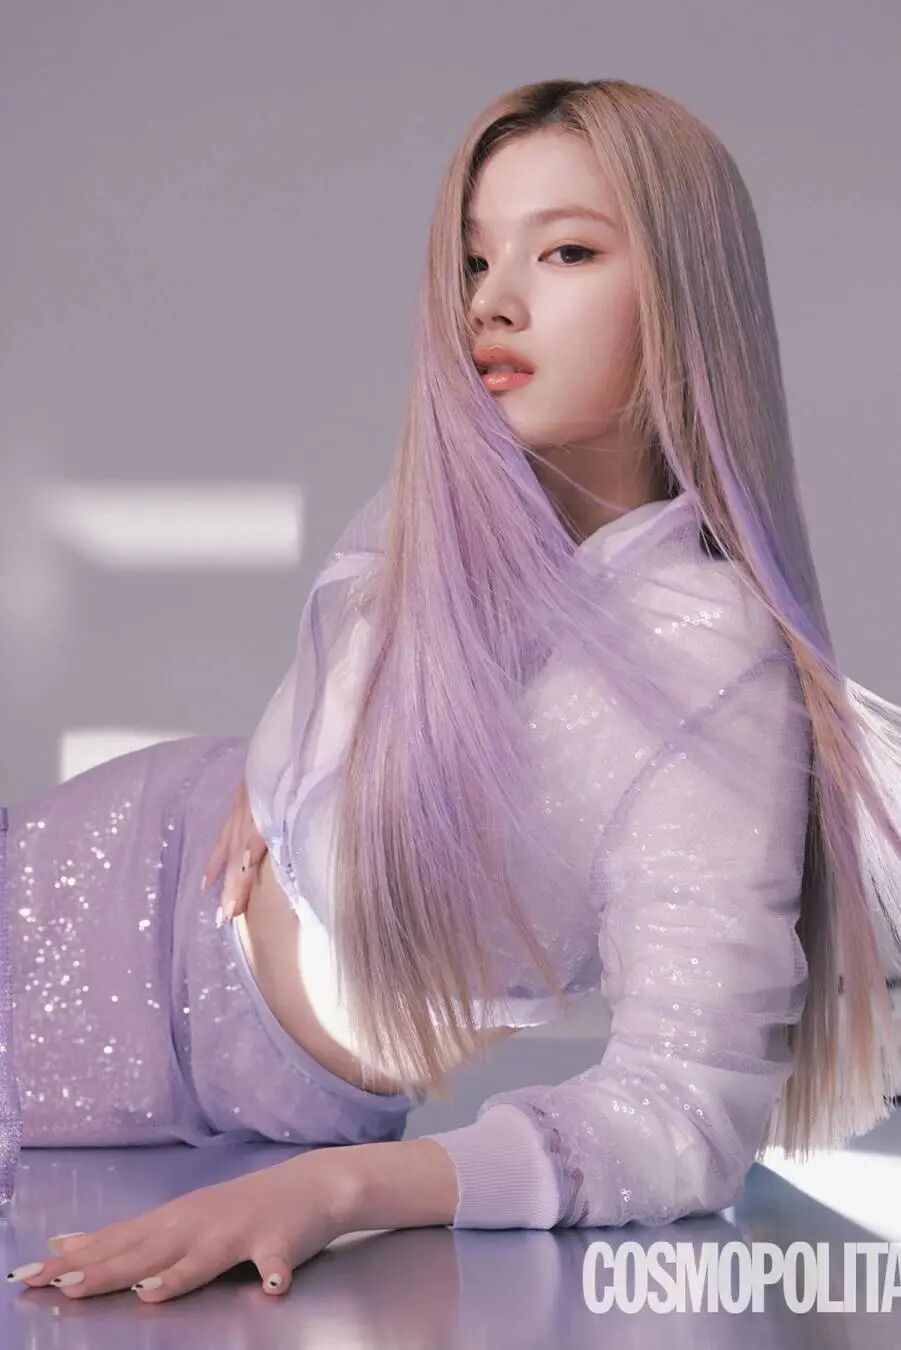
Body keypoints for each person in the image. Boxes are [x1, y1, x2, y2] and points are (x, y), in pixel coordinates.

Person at [3, 77, 900, 1305]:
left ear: (686, 296)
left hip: (192, 1068)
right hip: (105, 863)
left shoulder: (707, 659)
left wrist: (342, 1189)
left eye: (566, 251)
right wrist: (277, 775)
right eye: (476, 261)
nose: (492, 301)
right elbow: (355, 704)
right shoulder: (442, 519)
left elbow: (682, 1112)